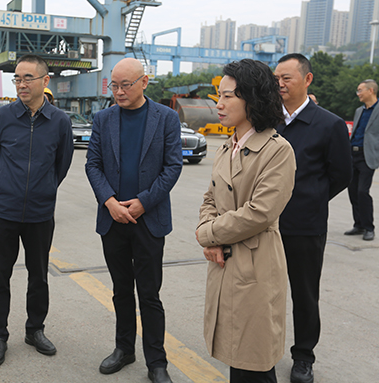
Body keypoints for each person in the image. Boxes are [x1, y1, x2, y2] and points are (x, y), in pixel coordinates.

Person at [196, 59, 296, 383]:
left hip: (255, 262)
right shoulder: (227, 146)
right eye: (219, 96)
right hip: (224, 261)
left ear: (252, 99)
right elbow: (210, 198)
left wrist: (209, 235)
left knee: (255, 361)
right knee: (235, 357)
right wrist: (210, 233)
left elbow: (260, 212)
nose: (219, 104)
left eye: (228, 96)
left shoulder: (277, 150)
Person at [85, 58, 183, 383]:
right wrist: (109, 202)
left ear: (144, 82)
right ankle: (124, 349)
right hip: (113, 220)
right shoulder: (103, 119)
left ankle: (157, 362)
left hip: (148, 221)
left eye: (125, 85)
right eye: (114, 86)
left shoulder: (166, 118)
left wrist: (143, 202)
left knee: (150, 294)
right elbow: (93, 165)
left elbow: (173, 166)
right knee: (121, 290)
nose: (119, 92)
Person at [0, 54, 74, 367]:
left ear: (45, 81)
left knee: (39, 277)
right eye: (17, 78)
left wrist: (43, 188)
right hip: (2, 212)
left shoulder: (60, 122)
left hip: (40, 213)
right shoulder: (1, 117)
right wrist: (6, 187)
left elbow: (62, 165)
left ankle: (35, 330)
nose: (21, 84)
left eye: (27, 78)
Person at [274, 53, 352, 383]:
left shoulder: (329, 124)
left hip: (305, 226)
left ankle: (303, 356)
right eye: (276, 78)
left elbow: (342, 175)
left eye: (286, 78)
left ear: (307, 80)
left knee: (305, 295)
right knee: (264, 293)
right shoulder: (267, 120)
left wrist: (313, 199)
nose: (279, 84)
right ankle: (262, 351)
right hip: (264, 225)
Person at [345, 79, 379, 241]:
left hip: (368, 156)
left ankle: (369, 227)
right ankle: (358, 224)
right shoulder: (359, 110)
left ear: (371, 91)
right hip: (353, 154)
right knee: (352, 191)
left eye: (360, 90)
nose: (358, 93)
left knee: (362, 192)